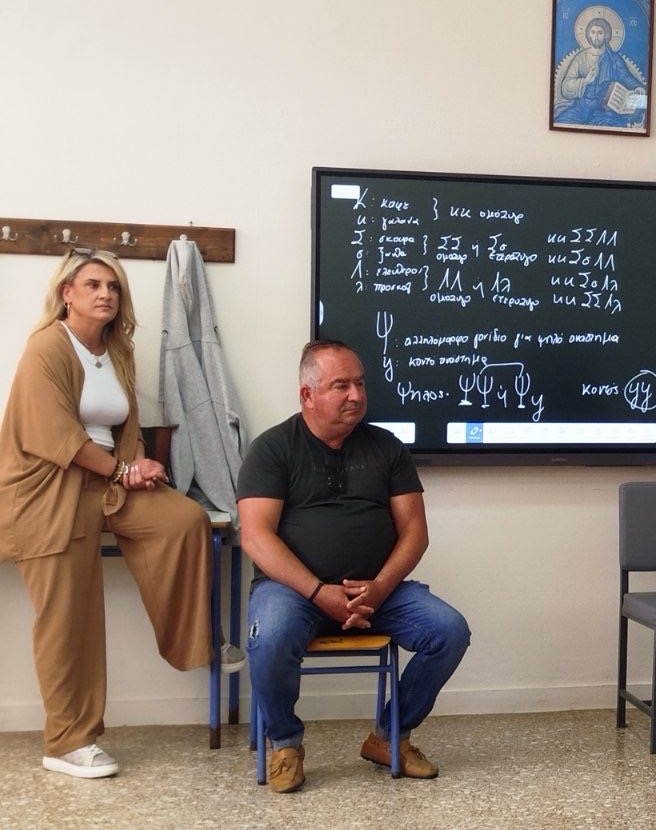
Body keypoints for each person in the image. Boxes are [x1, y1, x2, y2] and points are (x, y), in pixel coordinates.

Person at [0, 247, 213, 779]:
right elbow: (54, 435)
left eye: (114, 286)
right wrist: (120, 470)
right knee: (69, 615)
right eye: (93, 284)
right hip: (50, 486)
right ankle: (67, 741)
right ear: (66, 293)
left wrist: (134, 465)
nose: (106, 294)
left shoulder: (117, 349)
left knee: (184, 522)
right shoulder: (47, 346)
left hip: (108, 478)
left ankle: (190, 640)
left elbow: (127, 425)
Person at [239, 340, 470, 793]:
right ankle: (285, 743)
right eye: (341, 386)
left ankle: (389, 737)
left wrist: (380, 587)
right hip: (293, 591)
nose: (356, 395)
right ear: (307, 395)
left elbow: (415, 532)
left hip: (379, 592)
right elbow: (256, 537)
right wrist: (316, 591)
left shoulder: (387, 447)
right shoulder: (272, 449)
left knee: (449, 631)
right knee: (269, 637)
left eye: (360, 384)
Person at [552, 15, 648, 128]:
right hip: (582, 108)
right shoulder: (580, 58)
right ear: (588, 34)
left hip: (605, 110)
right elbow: (566, 86)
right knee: (561, 121)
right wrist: (585, 81)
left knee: (610, 125)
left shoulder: (613, 59)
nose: (596, 37)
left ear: (606, 35)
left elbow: (626, 78)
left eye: (600, 33)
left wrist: (638, 87)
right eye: (593, 32)